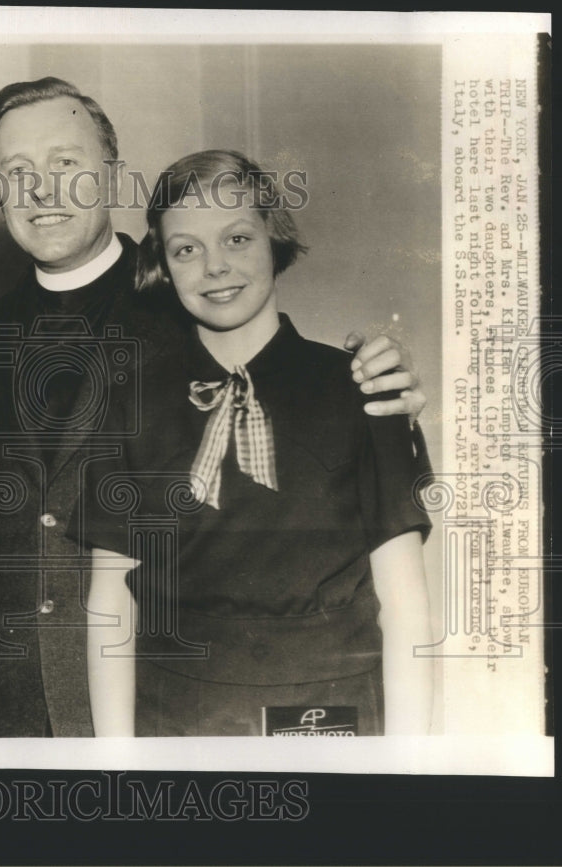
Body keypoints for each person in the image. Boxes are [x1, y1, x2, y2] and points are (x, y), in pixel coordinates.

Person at [0, 77, 428, 737]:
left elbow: (311, 430)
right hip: (8, 708)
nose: (40, 190)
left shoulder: (197, 306)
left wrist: (393, 384)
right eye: (16, 171)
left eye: (65, 164)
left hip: (166, 703)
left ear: (112, 174)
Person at [80, 150, 434, 736]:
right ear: (163, 267)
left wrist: (410, 769)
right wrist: (117, 763)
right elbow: (111, 601)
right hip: (176, 716)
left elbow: (405, 604)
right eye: (186, 249)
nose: (214, 266)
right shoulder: (127, 400)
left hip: (331, 713)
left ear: (275, 240)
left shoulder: (363, 392)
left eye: (237, 238)